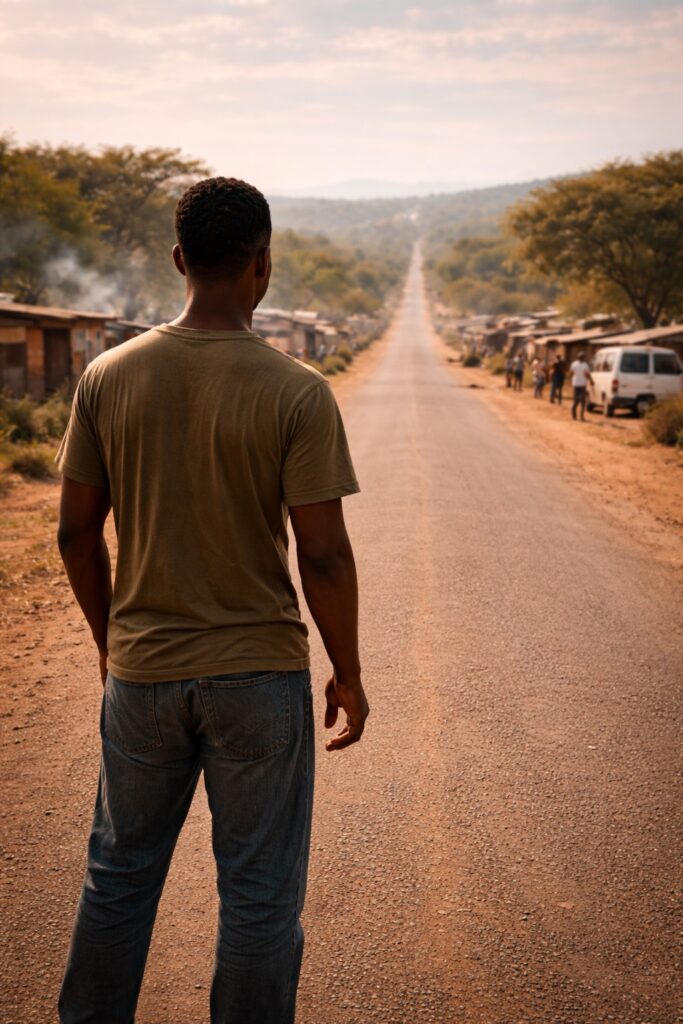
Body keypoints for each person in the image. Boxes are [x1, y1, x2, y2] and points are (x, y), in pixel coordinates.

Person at [55, 176, 370, 1024]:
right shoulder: (296, 390)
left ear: (177, 260)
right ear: (263, 265)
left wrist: (110, 643)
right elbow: (326, 555)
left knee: (118, 880)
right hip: (259, 678)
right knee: (260, 898)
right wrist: (347, 671)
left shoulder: (107, 377)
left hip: (145, 674)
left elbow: (75, 537)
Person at [570, 351, 594, 421]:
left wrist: (572, 379)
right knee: (583, 401)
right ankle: (581, 417)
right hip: (582, 384)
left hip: (575, 384)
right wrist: (591, 381)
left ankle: (574, 416)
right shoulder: (585, 365)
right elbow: (587, 375)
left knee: (575, 400)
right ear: (583, 358)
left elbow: (571, 373)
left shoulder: (574, 364)